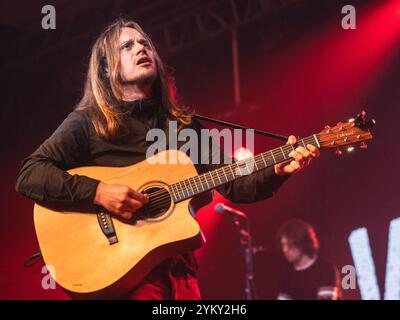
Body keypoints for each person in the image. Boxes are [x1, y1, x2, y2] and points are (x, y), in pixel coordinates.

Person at [15, 18, 320, 300]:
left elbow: (237, 184)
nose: (141, 48)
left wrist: (279, 169)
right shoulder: (88, 121)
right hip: (127, 279)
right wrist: (98, 193)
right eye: (127, 46)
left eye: (145, 43)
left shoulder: (183, 126)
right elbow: (30, 174)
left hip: (182, 278)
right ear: (106, 70)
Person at [276, 219, 342, 300]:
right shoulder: (286, 276)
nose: (284, 249)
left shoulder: (325, 269)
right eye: (283, 245)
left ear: (302, 242)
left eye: (289, 245)